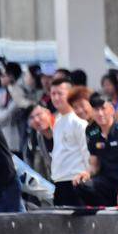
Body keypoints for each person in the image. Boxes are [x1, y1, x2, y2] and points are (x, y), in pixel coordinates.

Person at [72, 94, 118, 209]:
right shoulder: (91, 133)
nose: (100, 113)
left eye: (103, 109)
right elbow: (94, 165)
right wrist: (86, 173)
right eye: (96, 110)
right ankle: (101, 210)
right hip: (106, 181)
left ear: (111, 109)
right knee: (81, 184)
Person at [50, 78, 89, 206]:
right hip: (59, 181)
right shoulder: (57, 121)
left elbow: (86, 152)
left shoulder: (79, 122)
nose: (56, 98)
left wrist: (88, 175)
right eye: (53, 94)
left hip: (76, 181)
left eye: (60, 93)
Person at [27, 104, 54, 179]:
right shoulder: (39, 136)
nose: (36, 120)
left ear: (48, 113)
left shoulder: (61, 127)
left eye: (39, 114)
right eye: (31, 118)